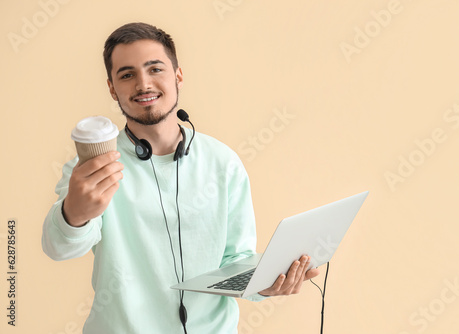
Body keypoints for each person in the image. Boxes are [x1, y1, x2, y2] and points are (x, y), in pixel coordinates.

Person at [42, 22, 319, 333]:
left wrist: (267, 283)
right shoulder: (91, 167)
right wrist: (75, 214)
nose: (143, 84)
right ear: (112, 88)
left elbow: (235, 260)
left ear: (178, 76)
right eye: (127, 74)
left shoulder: (223, 162)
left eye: (155, 69)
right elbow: (58, 247)